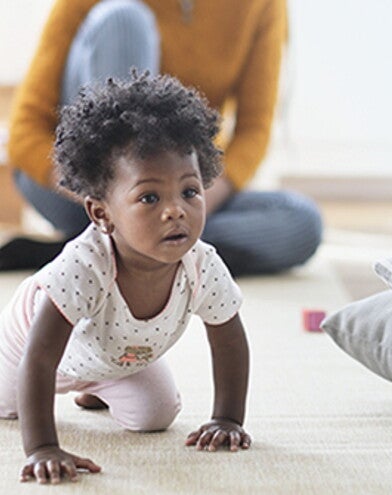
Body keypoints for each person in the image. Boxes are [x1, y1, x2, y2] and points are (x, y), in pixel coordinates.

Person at [0, 73, 252, 484]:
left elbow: (228, 338)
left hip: (116, 358)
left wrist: (227, 418)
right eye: (150, 198)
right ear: (102, 214)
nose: (176, 211)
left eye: (189, 191)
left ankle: (94, 388)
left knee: (156, 415)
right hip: (24, 351)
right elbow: (40, 357)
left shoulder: (202, 265)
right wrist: (43, 447)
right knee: (7, 408)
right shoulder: (84, 266)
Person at [4, 0, 322, 276]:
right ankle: (143, 244)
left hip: (177, 191)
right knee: (124, 18)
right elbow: (24, 132)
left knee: (302, 222)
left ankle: (111, 252)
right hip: (78, 187)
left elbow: (254, 130)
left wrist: (184, 204)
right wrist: (117, 200)